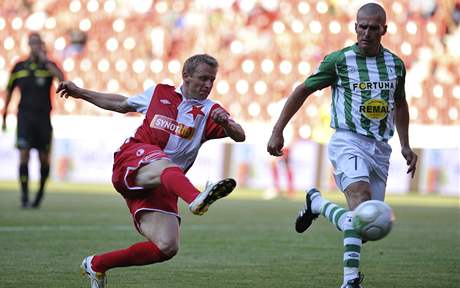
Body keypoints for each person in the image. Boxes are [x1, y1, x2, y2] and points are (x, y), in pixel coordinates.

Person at [56, 54, 245, 288]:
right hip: (133, 158)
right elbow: (121, 104)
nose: (208, 85)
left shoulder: (210, 111)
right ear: (186, 76)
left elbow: (240, 134)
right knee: (166, 163)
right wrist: (80, 92)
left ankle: (96, 264)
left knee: (167, 246)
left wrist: (226, 123)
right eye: (203, 78)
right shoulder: (159, 93)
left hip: (163, 182)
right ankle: (196, 198)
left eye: (212, 80)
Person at [267, 3, 417, 288]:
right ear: (355, 26)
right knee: (360, 202)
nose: (367, 32)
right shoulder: (339, 61)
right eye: (363, 26)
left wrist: (406, 145)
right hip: (348, 140)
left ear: (384, 30)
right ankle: (350, 281)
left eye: (374, 28)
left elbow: (399, 103)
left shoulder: (395, 65)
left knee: (365, 229)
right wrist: (278, 129)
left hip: (380, 148)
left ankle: (317, 203)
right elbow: (303, 89)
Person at [2, 32, 64, 208]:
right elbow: (9, 91)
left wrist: (44, 59)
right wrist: (5, 115)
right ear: (28, 45)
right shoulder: (19, 67)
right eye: (32, 43)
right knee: (24, 155)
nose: (35, 46)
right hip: (24, 118)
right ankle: (24, 197)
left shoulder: (48, 66)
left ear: (42, 45)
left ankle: (39, 195)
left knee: (44, 159)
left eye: (38, 43)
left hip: (43, 118)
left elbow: (61, 79)